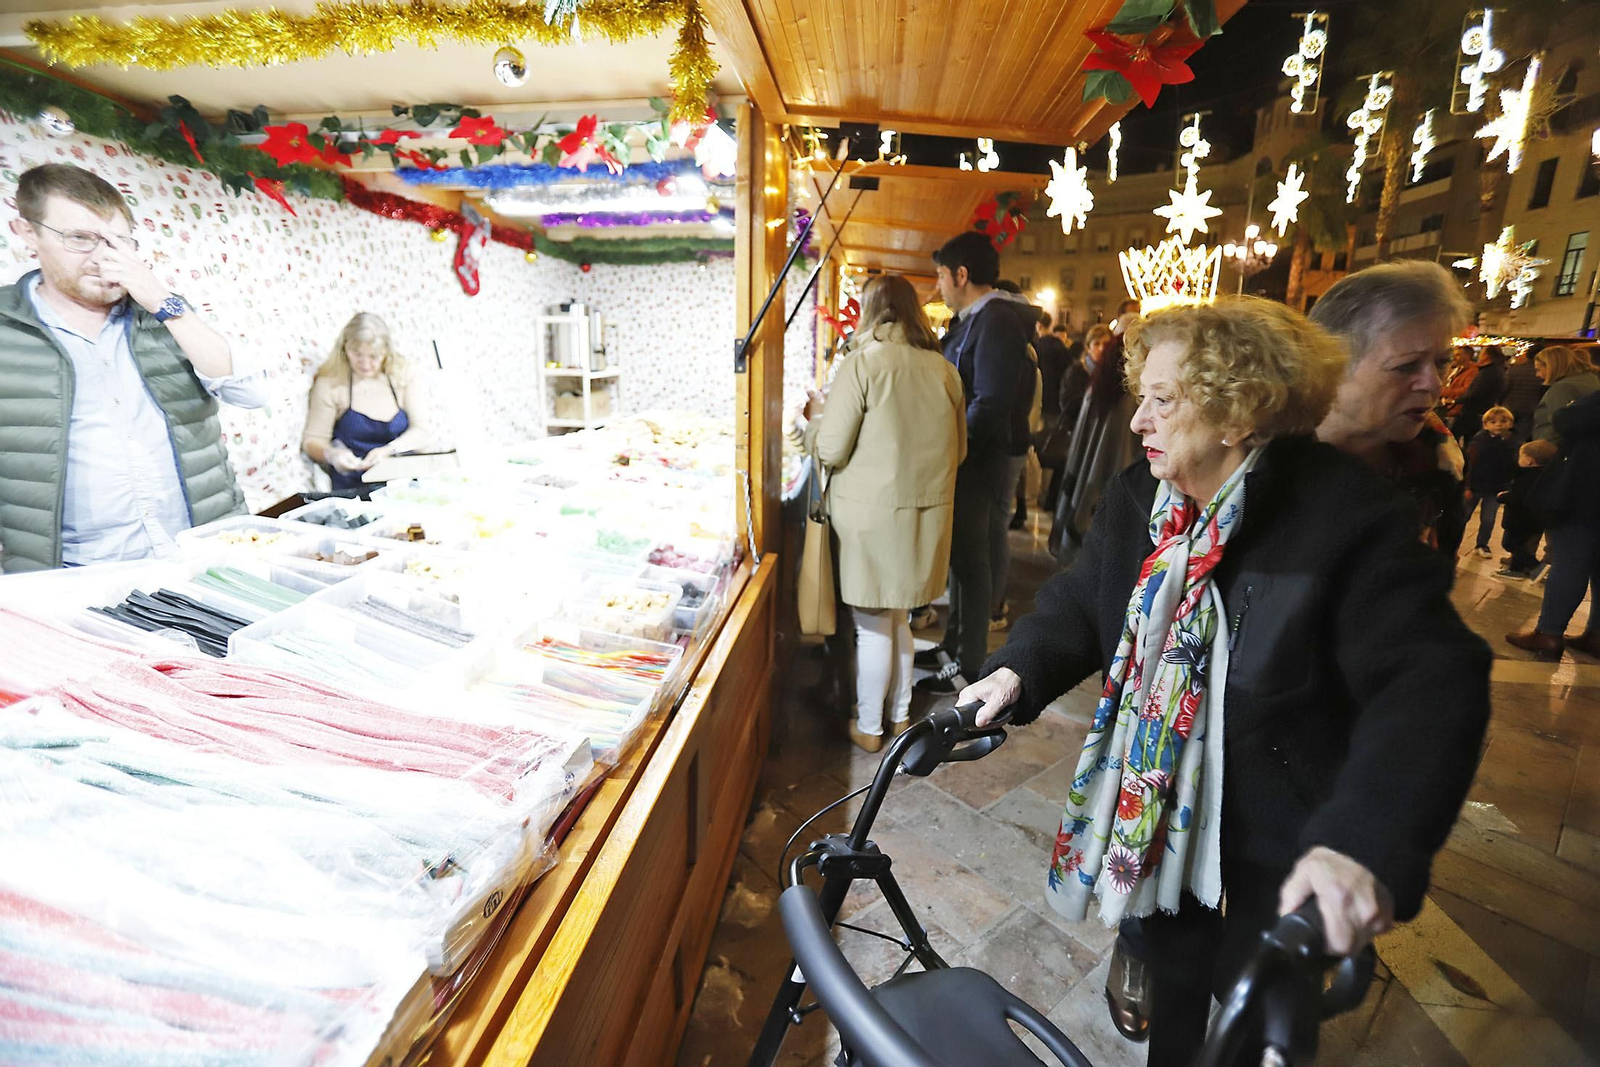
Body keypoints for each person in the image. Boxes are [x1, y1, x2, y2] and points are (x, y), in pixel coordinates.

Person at [957, 297, 1490, 1066]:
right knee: (1175, 984)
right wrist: (1015, 670)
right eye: (1143, 396)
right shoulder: (1142, 493)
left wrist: (1362, 843)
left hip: (1282, 824)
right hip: (1164, 800)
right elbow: (1084, 595)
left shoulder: (1340, 511)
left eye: (1163, 400)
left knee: (1265, 1013)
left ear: (1239, 414)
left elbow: (1433, 682)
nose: (1139, 419)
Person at [0, 163, 263, 573]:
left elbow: (250, 393)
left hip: (201, 555)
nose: (103, 258)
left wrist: (162, 301)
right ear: (27, 233)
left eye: (118, 241)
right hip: (76, 573)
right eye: (80, 239)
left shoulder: (165, 314)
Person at [800, 275, 965, 750]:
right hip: (926, 517)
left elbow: (831, 448)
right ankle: (899, 717)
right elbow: (959, 452)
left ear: (870, 310)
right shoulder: (944, 370)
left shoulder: (863, 363)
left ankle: (870, 728)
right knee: (898, 620)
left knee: (872, 625)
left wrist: (811, 425)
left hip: (869, 519)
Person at [914, 232, 1032, 694]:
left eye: (941, 275)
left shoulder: (996, 320)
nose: (939, 285)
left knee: (973, 558)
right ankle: (954, 645)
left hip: (978, 459)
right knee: (963, 558)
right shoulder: (975, 320)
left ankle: (968, 663)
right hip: (967, 456)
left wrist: (955, 450)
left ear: (961, 274)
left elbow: (991, 400)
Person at [1310, 260, 1470, 554]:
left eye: (1442, 362)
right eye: (1406, 366)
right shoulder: (1249, 460)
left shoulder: (1441, 465)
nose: (1434, 384)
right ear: (1329, 364)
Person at [1507, 390, 1600, 659]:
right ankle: (1596, 635)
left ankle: (1548, 633)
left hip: (1587, 489)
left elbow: (1568, 420)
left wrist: (1571, 407)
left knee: (1571, 561)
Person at [303, 312, 433, 492]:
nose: (365, 363)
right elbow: (313, 440)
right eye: (357, 354)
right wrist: (332, 454)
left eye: (374, 356)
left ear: (386, 352)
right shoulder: (331, 384)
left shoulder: (403, 375)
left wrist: (389, 450)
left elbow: (422, 431)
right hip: (353, 488)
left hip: (405, 482)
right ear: (344, 348)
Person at [1497, 439, 1557, 579]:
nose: (1518, 459)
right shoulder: (1545, 475)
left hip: (1520, 519)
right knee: (1521, 545)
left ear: (1529, 461)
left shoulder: (1527, 477)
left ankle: (1536, 566)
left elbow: (1519, 497)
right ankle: (1516, 570)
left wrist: (1503, 497)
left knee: (1510, 543)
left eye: (1521, 456)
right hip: (1533, 520)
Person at [1464, 406, 1517, 559]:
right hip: (1475, 485)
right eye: (1493, 422)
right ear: (1485, 425)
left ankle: (1482, 544)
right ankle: (1453, 539)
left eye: (1503, 421)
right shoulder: (1478, 443)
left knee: (1488, 519)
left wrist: (1508, 486)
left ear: (1510, 423)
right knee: (1464, 515)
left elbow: (1512, 466)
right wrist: (1466, 486)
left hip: (1496, 487)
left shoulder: (1513, 443)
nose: (1498, 425)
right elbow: (1469, 465)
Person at [1531, 344, 1599, 444]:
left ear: (1551, 367)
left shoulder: (1563, 388)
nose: (1537, 375)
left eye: (1538, 370)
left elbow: (1560, 424)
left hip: (1554, 446)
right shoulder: (1590, 379)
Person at [1449, 344, 1508, 442]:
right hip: (1482, 410)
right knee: (1471, 439)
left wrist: (1455, 400)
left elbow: (1475, 393)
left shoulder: (1487, 373)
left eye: (1481, 353)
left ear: (1486, 356)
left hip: (1473, 411)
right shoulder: (1497, 370)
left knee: (1452, 437)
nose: (1479, 355)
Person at [1500, 348, 1544, 444]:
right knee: (1521, 437)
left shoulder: (1515, 369)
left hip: (1510, 406)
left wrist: (1500, 403)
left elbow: (1504, 388)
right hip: (1530, 409)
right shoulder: (1542, 372)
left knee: (1505, 434)